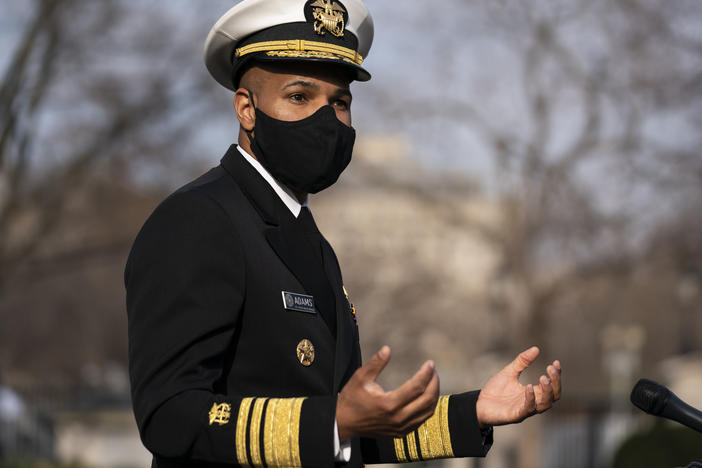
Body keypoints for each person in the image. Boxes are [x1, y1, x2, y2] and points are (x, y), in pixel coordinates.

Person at [125, 0, 562, 466]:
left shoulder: (311, 244)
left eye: (340, 103)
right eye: (299, 97)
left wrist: (470, 412)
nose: (326, 120)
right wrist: (332, 420)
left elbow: (349, 432)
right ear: (246, 109)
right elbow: (170, 414)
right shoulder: (199, 219)